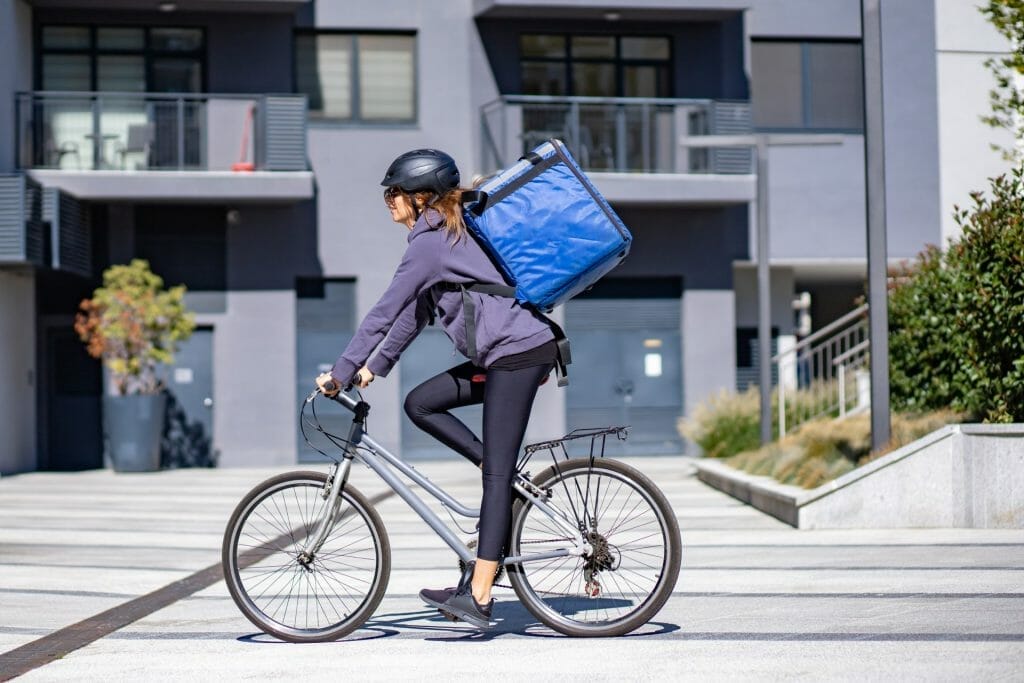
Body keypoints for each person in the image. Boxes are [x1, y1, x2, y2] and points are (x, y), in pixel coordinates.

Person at [315, 148, 557, 629]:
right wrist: (375, 367)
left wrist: (341, 370)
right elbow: (416, 312)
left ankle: (481, 596)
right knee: (421, 402)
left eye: (395, 192)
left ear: (421, 196)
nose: (388, 200)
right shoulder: (440, 236)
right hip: (507, 354)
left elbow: (385, 310)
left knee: (495, 482)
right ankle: (494, 469)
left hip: (519, 353)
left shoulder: (431, 242)